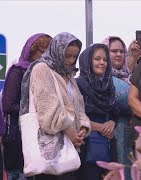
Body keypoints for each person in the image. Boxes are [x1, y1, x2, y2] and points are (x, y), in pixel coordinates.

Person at [20, 32, 91, 180]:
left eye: (74, 56)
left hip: (72, 146)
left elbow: (78, 105)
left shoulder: (69, 74)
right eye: (67, 55)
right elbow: (48, 108)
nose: (70, 61)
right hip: (50, 146)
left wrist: (83, 127)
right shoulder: (41, 68)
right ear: (57, 50)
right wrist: (70, 132)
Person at [2, 33, 51, 180]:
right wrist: (33, 111)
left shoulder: (49, 74)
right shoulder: (18, 71)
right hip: (18, 135)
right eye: (41, 53)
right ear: (31, 51)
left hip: (41, 135)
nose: (44, 58)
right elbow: (8, 105)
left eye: (47, 54)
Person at [76, 43, 119, 180]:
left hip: (107, 145)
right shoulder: (77, 85)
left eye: (105, 60)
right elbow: (74, 117)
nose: (102, 63)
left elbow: (114, 112)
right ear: (88, 61)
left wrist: (112, 122)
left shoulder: (108, 86)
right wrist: (100, 127)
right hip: (84, 146)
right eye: (97, 59)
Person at [102, 36, 132, 180]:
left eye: (122, 51)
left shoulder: (129, 76)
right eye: (113, 51)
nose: (118, 54)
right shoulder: (102, 77)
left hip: (131, 135)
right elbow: (127, 101)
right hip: (112, 133)